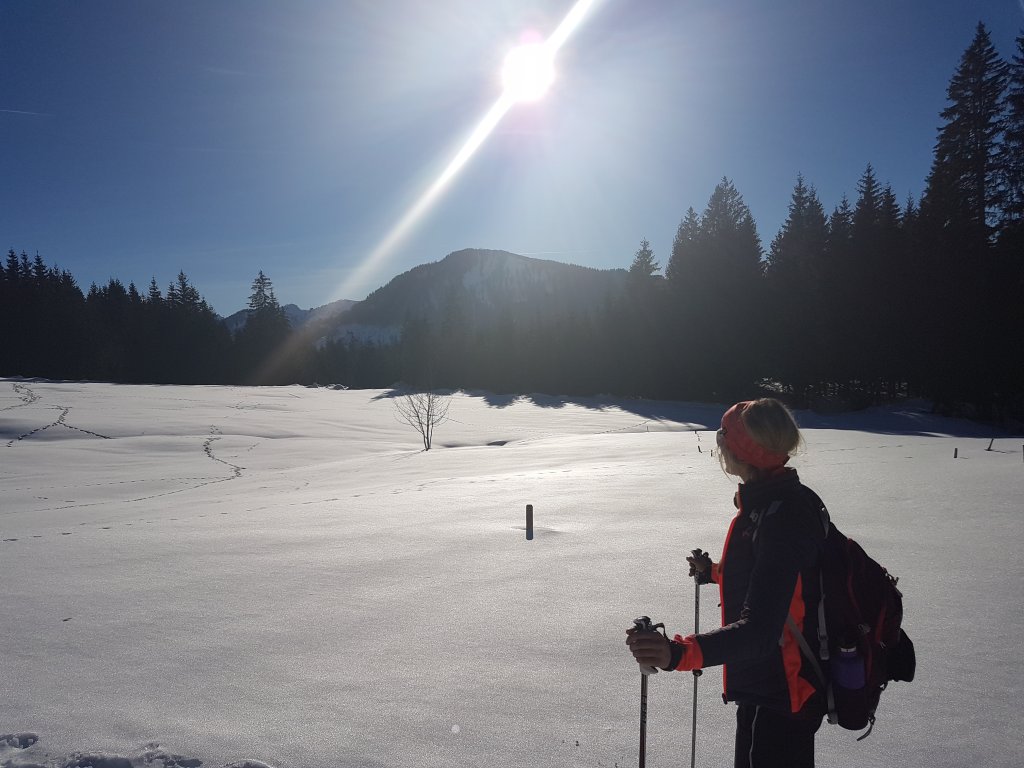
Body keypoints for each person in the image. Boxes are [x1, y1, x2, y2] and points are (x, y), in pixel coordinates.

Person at [626, 398, 828, 768]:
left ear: (744, 453)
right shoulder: (780, 501)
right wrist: (715, 572)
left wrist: (678, 654)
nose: (719, 446)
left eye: (724, 438)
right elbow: (780, 580)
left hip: (780, 693)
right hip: (775, 686)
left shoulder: (780, 519)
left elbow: (761, 631)